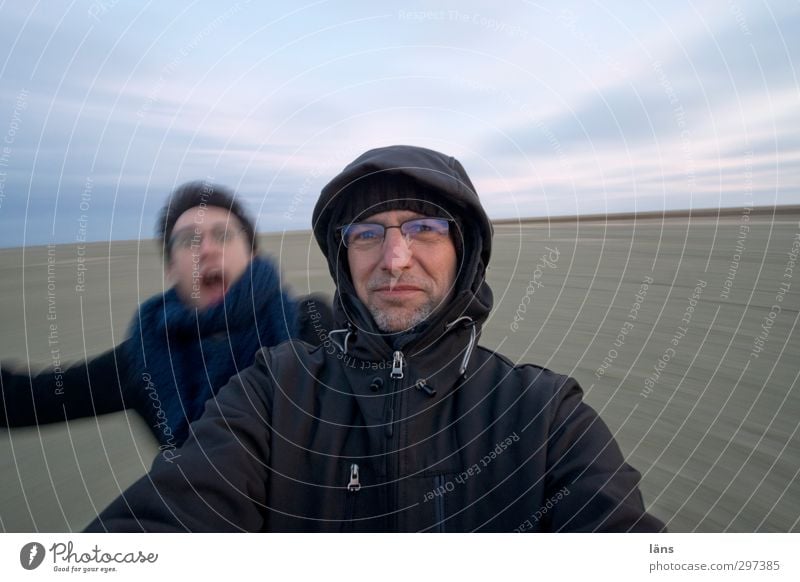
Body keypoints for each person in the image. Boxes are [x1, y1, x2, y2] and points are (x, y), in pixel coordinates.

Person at [86, 146, 664, 532]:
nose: (394, 258)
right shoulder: (271, 392)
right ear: (344, 257)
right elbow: (164, 519)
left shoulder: (543, 414)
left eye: (425, 228)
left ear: (465, 253)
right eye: (367, 233)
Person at [1, 181, 329, 451]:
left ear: (253, 252)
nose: (207, 249)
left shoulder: (313, 324)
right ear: (172, 267)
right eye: (189, 241)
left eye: (224, 235)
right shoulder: (146, 357)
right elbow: (23, 400)